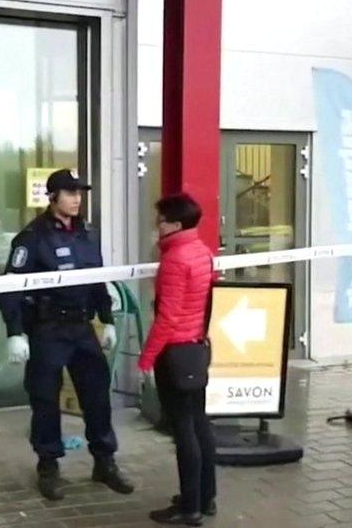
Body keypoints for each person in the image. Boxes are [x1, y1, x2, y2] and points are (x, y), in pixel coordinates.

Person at [0, 168, 135, 501]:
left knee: (97, 394)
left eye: (79, 193)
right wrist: (15, 332)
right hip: (47, 329)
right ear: (53, 197)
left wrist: (108, 320)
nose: (76, 199)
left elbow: (98, 280)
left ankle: (104, 462)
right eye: (70, 193)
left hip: (81, 327)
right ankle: (49, 466)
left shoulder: (87, 234)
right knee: (45, 398)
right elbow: (10, 288)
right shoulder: (32, 237)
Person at [138, 194, 217, 526]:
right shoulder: (203, 252)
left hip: (175, 353)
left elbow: (166, 317)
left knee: (183, 430)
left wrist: (146, 359)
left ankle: (189, 507)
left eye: (161, 220)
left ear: (174, 224)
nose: (157, 226)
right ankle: (205, 497)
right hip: (196, 349)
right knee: (199, 423)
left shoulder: (174, 260)